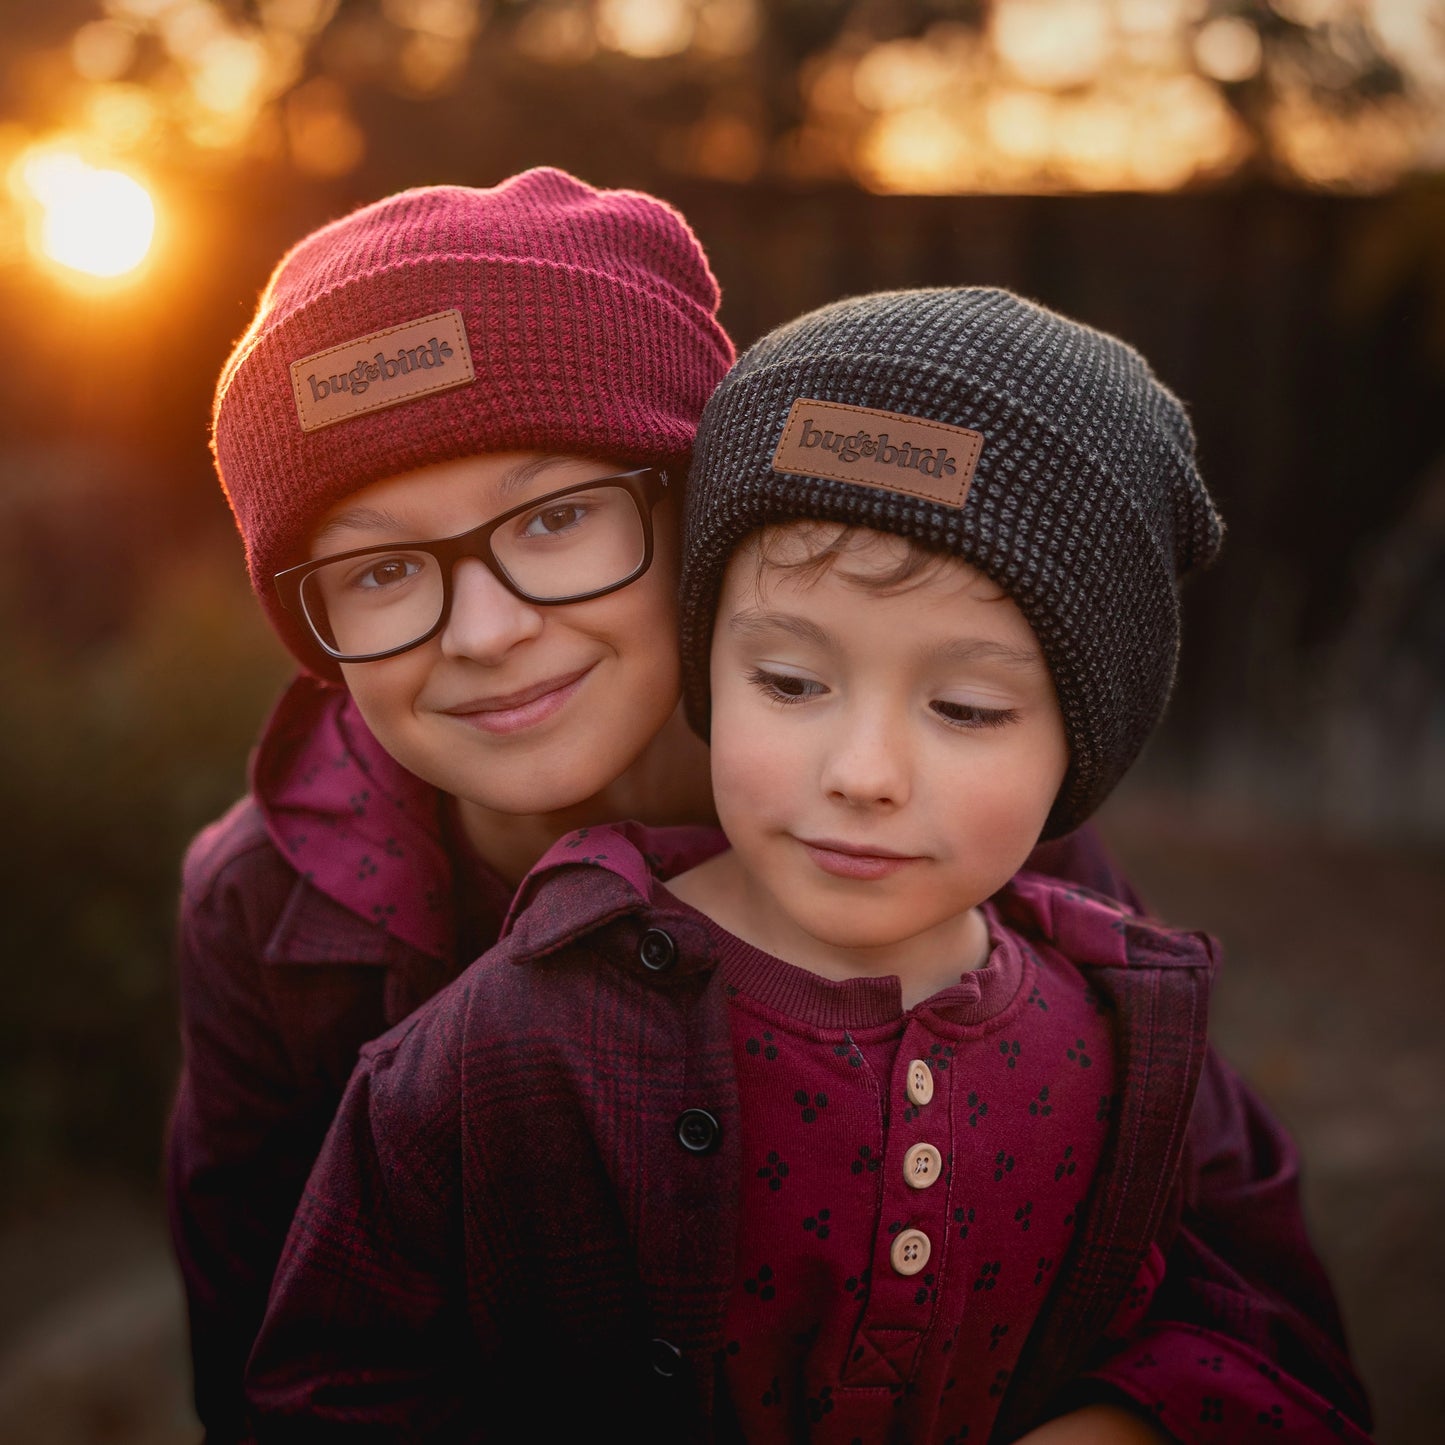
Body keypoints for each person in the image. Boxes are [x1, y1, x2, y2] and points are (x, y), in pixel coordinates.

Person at [244, 289, 1373, 1442]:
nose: (864, 771)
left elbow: (1261, 1331)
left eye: (968, 706)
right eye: (788, 685)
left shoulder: (1123, 1023)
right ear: (712, 651)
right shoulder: (500, 1038)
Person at [168, 177, 1133, 1441]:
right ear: (314, 627)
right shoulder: (264, 903)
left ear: (697, 509)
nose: (489, 630)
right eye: (383, 568)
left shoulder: (918, 801)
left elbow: (1223, 1280)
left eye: (559, 516)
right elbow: (265, 1366)